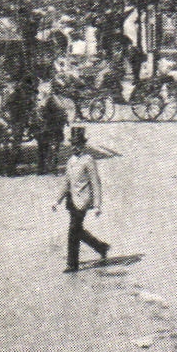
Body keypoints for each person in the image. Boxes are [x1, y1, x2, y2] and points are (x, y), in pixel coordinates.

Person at [55, 127, 109, 272]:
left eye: (78, 144)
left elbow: (96, 183)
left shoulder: (88, 160)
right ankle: (101, 247)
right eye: (73, 144)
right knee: (77, 230)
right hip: (71, 201)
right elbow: (66, 182)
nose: (75, 147)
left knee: (73, 230)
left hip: (83, 202)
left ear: (83, 144)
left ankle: (72, 264)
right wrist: (57, 200)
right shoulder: (71, 161)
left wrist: (97, 205)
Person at [34, 82, 68, 174]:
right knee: (44, 146)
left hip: (52, 125)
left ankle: (49, 167)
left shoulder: (53, 99)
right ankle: (44, 167)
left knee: (50, 146)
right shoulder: (46, 98)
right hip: (48, 125)